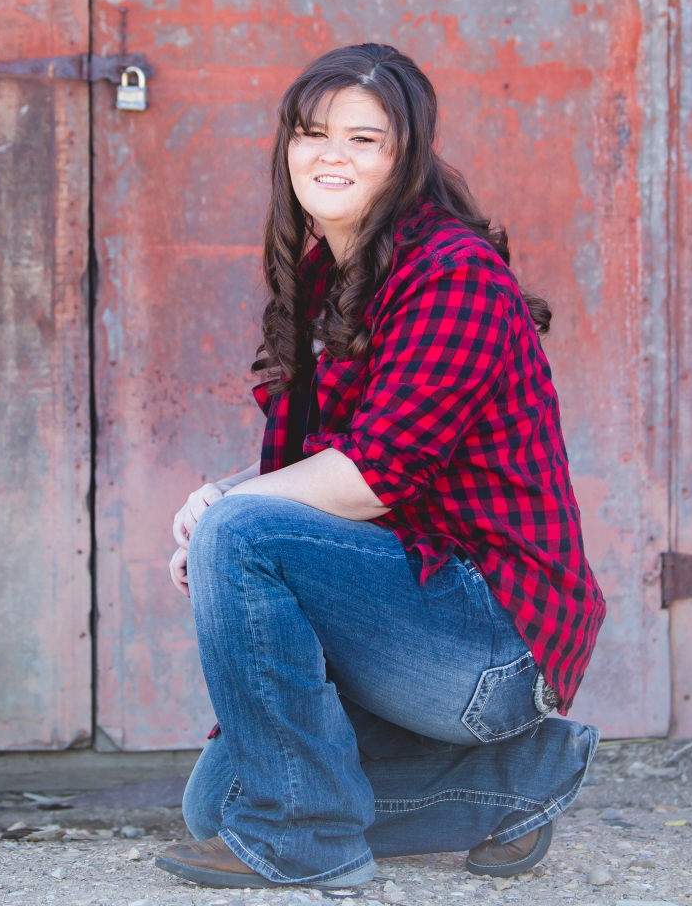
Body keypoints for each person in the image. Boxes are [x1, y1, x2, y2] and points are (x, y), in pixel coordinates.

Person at [156, 44, 607, 891]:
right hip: (412, 607)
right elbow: (322, 466)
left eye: (363, 139)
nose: (331, 155)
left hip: (493, 641)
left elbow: (370, 480)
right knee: (217, 807)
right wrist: (227, 504)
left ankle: (307, 837)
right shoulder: (331, 273)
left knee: (241, 532)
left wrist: (229, 516)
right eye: (313, 133)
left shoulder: (454, 276)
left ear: (407, 156)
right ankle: (521, 777)